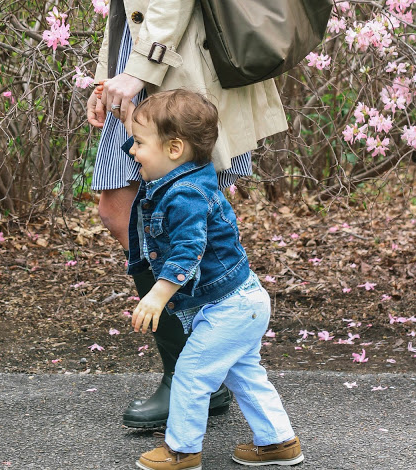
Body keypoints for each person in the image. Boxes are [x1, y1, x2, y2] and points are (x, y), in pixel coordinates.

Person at [86, 0, 288, 428]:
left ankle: (194, 369)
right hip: (142, 55)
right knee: (128, 211)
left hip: (172, 61)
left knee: (180, 204)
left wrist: (138, 69)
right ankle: (203, 359)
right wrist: (112, 76)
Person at [121, 89, 303, 469]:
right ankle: (278, 443)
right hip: (240, 302)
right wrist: (134, 123)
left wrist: (157, 295)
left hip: (230, 308)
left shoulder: (186, 194)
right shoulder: (181, 180)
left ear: (173, 149)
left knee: (191, 373)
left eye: (138, 143)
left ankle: (182, 450)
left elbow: (190, 250)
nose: (131, 151)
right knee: (245, 374)